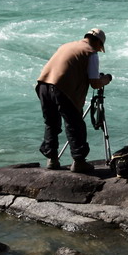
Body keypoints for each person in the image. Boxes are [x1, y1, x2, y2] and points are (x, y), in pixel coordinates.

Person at [36, 28, 112, 172]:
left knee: (51, 123)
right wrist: (106, 79)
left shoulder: (66, 46)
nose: (98, 49)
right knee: (74, 124)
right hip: (61, 88)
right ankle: (79, 161)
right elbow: (94, 83)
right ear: (97, 42)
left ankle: (52, 159)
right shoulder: (91, 53)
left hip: (44, 85)